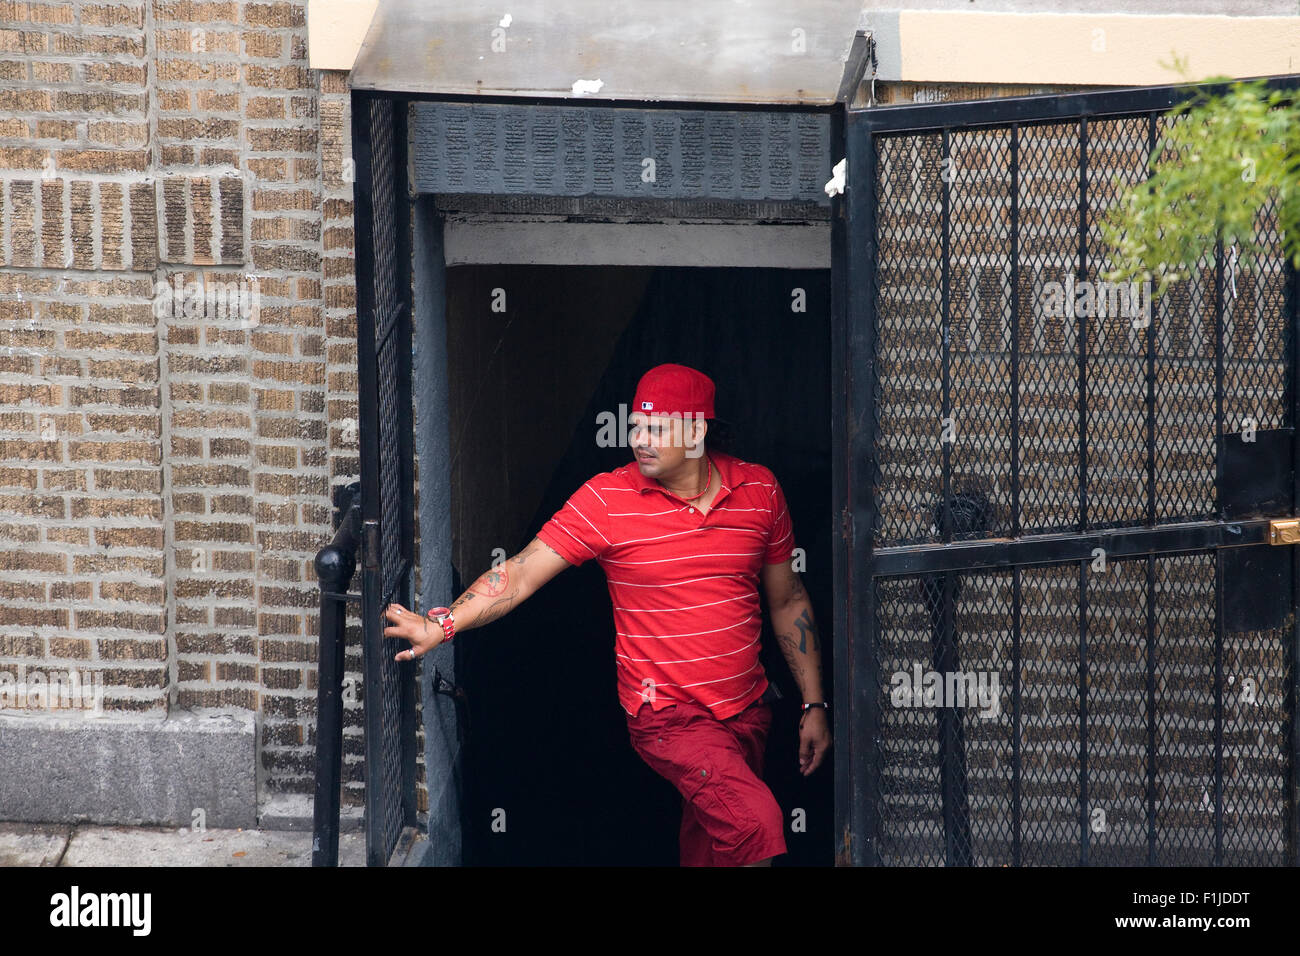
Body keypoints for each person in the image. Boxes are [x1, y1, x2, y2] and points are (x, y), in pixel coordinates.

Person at [382, 362, 831, 866]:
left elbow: (788, 599)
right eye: (634, 425)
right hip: (667, 717)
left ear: (698, 430)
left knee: (713, 849)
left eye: (655, 428)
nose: (638, 438)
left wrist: (814, 705)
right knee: (757, 824)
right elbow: (524, 571)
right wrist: (443, 625)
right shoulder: (607, 500)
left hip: (746, 710)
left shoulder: (760, 492)